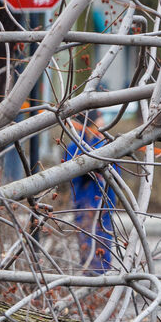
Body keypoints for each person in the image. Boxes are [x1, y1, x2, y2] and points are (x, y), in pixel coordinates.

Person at [64, 112, 116, 273]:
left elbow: (115, 175)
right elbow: (70, 173)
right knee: (86, 244)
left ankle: (103, 277)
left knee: (104, 243)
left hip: (104, 205)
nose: (103, 127)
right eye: (99, 123)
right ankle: (89, 276)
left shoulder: (106, 145)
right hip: (84, 203)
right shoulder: (75, 146)